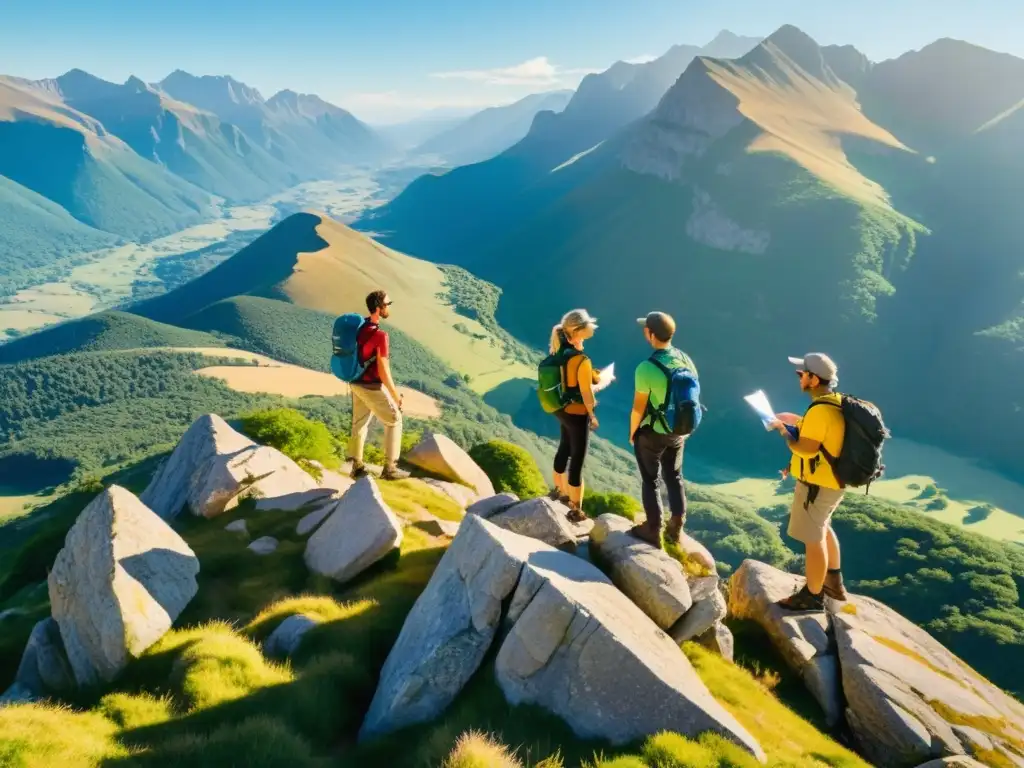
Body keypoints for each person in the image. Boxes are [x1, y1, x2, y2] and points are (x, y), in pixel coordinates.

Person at [768, 352, 849, 610]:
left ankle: (813, 596)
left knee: (812, 539)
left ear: (813, 379)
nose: (799, 377)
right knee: (822, 528)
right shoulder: (834, 402)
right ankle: (833, 583)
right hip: (834, 481)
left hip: (817, 484)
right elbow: (825, 433)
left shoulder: (820, 409)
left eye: (801, 373)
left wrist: (784, 431)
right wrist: (795, 420)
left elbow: (806, 449)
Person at [627, 311, 696, 549]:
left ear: (650, 334)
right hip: (680, 431)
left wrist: (632, 432)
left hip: (654, 432)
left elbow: (638, 408)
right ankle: (676, 526)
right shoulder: (685, 359)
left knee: (651, 480)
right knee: (675, 476)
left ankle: (652, 530)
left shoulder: (646, 368)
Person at [348, 289, 409, 481]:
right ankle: (390, 469)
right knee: (394, 420)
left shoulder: (360, 327)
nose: (389, 307)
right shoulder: (380, 335)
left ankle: (356, 467)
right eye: (387, 304)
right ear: (378, 307)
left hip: (355, 381)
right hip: (371, 385)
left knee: (359, 423)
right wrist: (395, 395)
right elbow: (383, 370)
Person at [547, 309, 601, 523]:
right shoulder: (581, 360)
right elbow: (586, 392)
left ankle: (558, 492)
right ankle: (575, 509)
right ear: (579, 330)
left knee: (564, 448)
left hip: (561, 409)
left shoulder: (559, 351)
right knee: (577, 459)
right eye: (588, 325)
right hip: (577, 412)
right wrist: (592, 415)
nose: (592, 328)